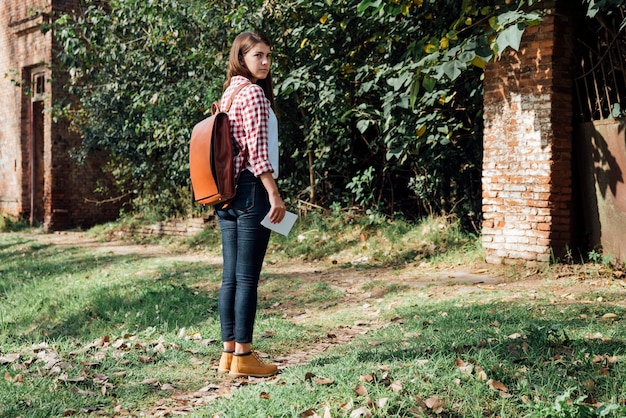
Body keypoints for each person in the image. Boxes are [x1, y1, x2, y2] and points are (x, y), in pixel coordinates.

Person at [215, 31, 286, 378]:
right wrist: (274, 193)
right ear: (241, 58)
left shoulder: (229, 94)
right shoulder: (254, 94)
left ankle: (228, 353)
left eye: (268, 56)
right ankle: (244, 355)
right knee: (246, 279)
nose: (265, 62)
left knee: (230, 277)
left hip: (226, 195)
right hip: (251, 191)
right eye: (258, 55)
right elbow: (258, 155)